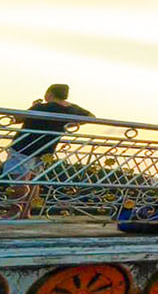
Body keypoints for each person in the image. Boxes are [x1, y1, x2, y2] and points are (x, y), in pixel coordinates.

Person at [3, 84, 93, 218]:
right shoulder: (72, 109)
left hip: (24, 147)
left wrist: (33, 107)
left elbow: (18, 118)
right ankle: (26, 212)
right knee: (34, 181)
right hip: (46, 150)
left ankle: (14, 211)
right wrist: (67, 123)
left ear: (50, 94)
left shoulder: (42, 107)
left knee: (19, 179)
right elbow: (91, 117)